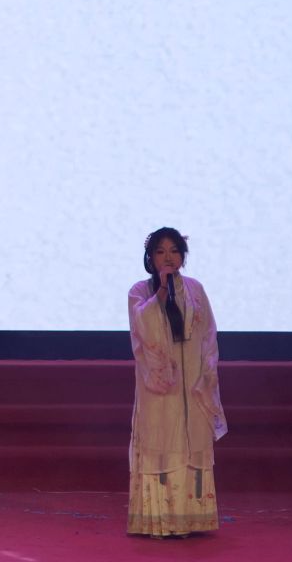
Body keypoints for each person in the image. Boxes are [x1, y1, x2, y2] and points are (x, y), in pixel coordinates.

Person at [126, 227, 226, 538]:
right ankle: (161, 521)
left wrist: (207, 370)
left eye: (174, 250)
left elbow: (208, 332)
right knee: (163, 445)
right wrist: (161, 293)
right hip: (160, 389)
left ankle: (192, 519)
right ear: (150, 258)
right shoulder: (140, 291)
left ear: (182, 255)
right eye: (160, 252)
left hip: (193, 382)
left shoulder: (195, 289)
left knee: (192, 444)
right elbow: (143, 329)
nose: (168, 257)